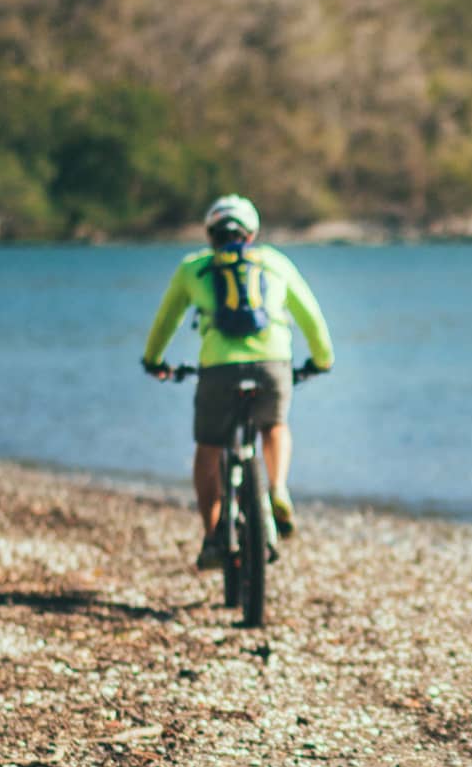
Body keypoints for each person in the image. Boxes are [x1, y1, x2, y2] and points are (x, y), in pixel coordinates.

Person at [142, 194, 334, 569]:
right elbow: (310, 316)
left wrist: (154, 360)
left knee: (208, 449)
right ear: (252, 234)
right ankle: (277, 488)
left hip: (218, 369)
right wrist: (321, 360)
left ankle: (213, 536)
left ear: (210, 234)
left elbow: (166, 321)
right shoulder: (275, 262)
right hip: (273, 363)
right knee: (274, 425)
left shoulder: (193, 267)